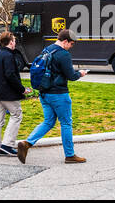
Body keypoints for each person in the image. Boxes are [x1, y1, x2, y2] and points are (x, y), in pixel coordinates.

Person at [16, 28, 88, 165]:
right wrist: (81, 73)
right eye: (71, 44)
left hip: (44, 93)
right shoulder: (63, 54)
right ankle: (70, 155)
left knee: (48, 121)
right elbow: (71, 76)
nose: (71, 47)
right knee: (66, 123)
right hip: (59, 94)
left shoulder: (47, 49)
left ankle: (27, 143)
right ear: (66, 41)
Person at [0, 33, 27, 157]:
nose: (15, 43)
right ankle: (7, 145)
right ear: (10, 42)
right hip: (9, 93)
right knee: (17, 115)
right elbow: (11, 75)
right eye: (14, 40)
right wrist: (22, 89)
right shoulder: (9, 56)